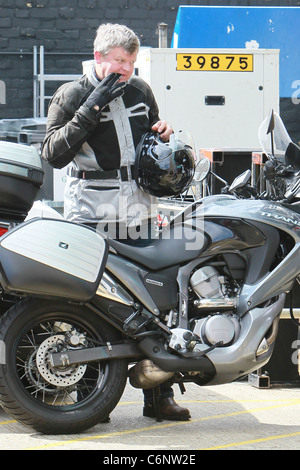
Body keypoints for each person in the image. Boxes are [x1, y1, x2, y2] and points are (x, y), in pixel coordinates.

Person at [42, 23, 190, 422]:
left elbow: (154, 131)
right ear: (99, 58)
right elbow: (52, 152)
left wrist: (163, 132)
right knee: (91, 303)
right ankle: (92, 396)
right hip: (91, 213)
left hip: (140, 210)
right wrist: (93, 105)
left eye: (131, 61)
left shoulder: (140, 90)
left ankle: (158, 397)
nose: (126, 68)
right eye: (120, 61)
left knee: (155, 300)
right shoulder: (72, 94)